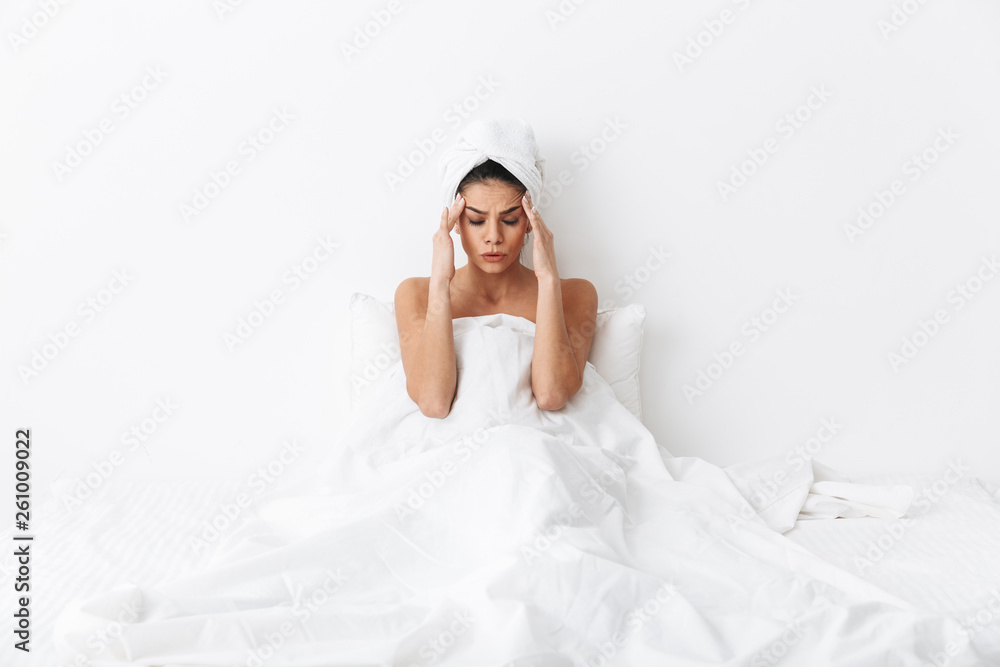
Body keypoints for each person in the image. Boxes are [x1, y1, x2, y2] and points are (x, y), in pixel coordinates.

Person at [394, 158, 598, 418]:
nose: (493, 237)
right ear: (456, 222)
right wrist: (441, 281)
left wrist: (548, 279)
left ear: (529, 222)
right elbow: (434, 403)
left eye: (510, 220)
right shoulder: (415, 293)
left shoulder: (575, 294)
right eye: (476, 220)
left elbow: (551, 395)